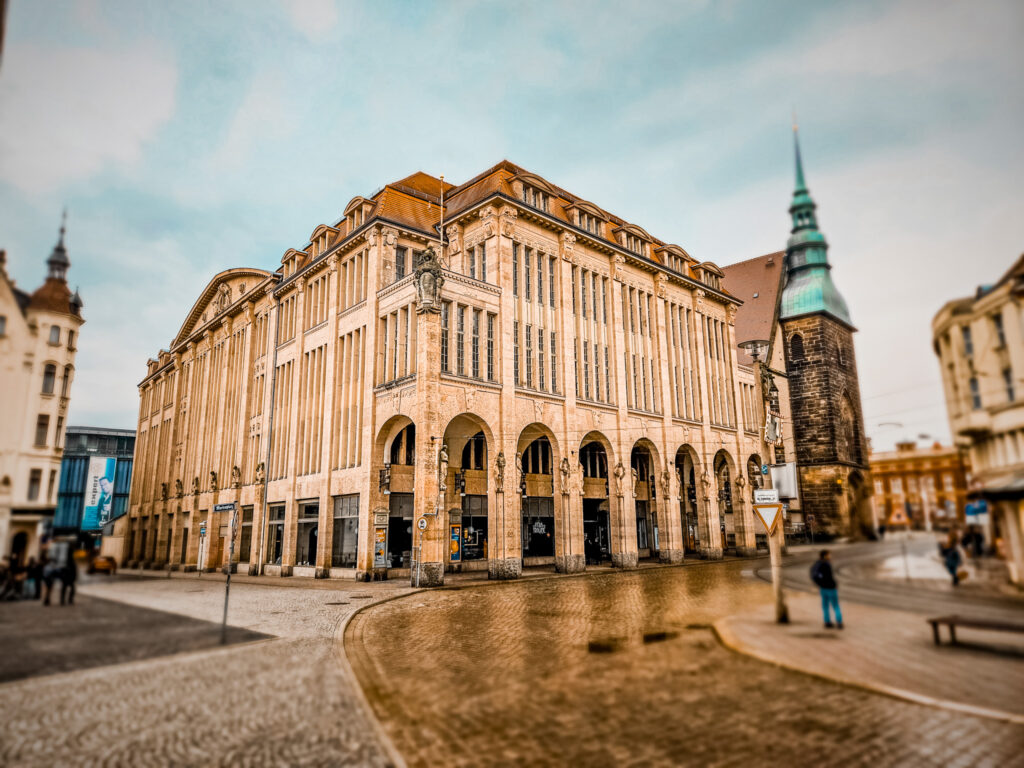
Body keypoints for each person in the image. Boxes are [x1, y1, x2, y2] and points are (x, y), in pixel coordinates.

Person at [810, 549, 843, 629]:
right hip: (831, 588)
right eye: (829, 554)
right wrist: (834, 584)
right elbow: (829, 576)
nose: (830, 556)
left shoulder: (817, 564)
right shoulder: (826, 564)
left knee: (825, 606)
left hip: (823, 588)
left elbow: (814, 575)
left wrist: (820, 584)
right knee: (835, 605)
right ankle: (839, 622)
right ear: (825, 555)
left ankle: (827, 622)